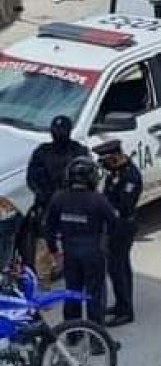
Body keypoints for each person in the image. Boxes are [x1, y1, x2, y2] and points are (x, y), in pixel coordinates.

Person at [46, 156, 117, 327]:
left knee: (72, 292)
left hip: (70, 251)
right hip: (93, 251)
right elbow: (114, 223)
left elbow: (48, 228)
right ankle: (96, 337)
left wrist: (54, 250)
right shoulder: (97, 199)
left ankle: (71, 332)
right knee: (95, 294)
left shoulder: (59, 198)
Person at [23, 116, 89, 275]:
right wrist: (42, 194)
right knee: (45, 238)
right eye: (55, 131)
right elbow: (31, 178)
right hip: (48, 203)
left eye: (61, 131)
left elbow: (88, 177)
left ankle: (73, 266)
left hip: (72, 203)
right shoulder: (42, 152)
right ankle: (45, 272)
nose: (58, 135)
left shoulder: (78, 151)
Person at [96, 139, 142, 328]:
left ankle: (126, 310)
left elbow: (124, 205)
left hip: (124, 226)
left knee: (119, 267)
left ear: (115, 157)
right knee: (115, 268)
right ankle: (120, 304)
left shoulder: (130, 176)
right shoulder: (115, 174)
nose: (104, 165)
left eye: (106, 160)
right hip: (114, 226)